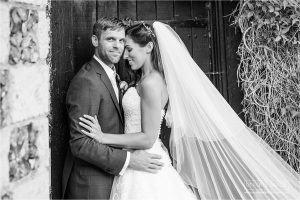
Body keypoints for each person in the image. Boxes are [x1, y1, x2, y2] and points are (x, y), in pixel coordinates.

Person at [79, 21, 300, 200]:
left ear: (148, 47)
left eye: (129, 49)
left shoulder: (150, 84)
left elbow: (147, 138)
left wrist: (102, 136)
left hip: (145, 161)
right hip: (137, 160)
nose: (125, 56)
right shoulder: (144, 80)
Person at [62, 18, 164, 199]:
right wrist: (130, 160)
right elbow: (80, 143)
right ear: (95, 41)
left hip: (122, 178)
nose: (118, 46)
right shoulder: (87, 80)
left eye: (122, 41)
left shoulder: (116, 76)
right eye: (110, 39)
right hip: (92, 186)